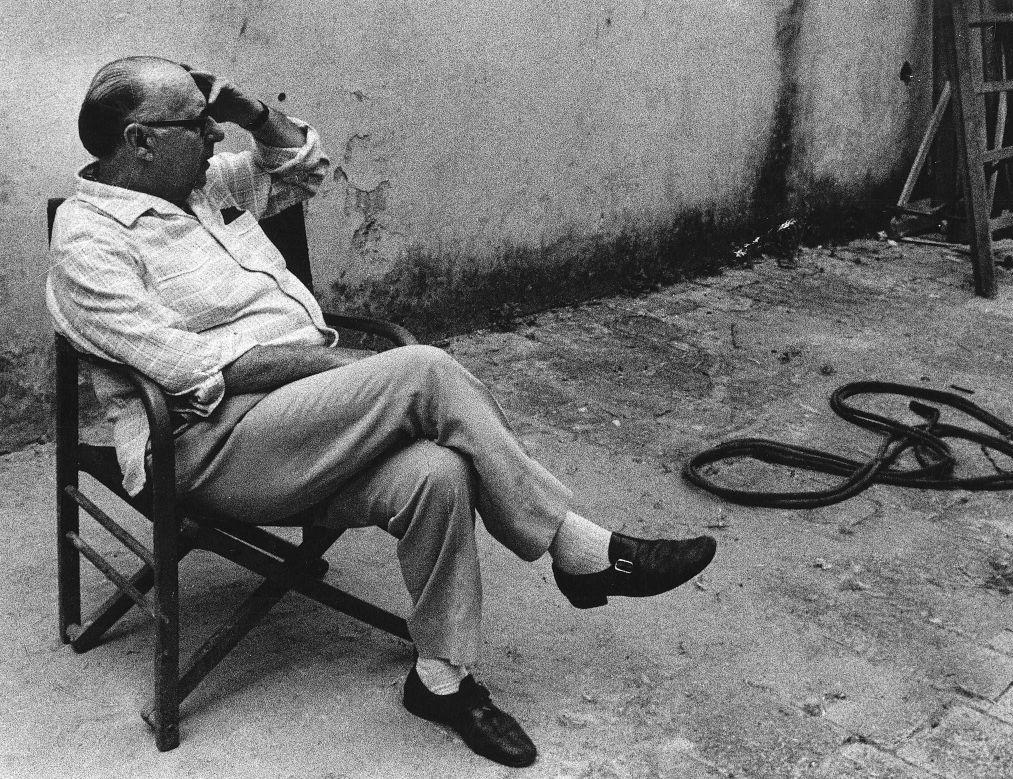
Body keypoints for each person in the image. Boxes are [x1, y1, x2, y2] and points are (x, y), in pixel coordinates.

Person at [46, 56, 716, 768]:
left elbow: (304, 167)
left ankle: (441, 678)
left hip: (307, 423)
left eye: (216, 119)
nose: (215, 134)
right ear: (141, 140)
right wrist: (337, 369)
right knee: (422, 370)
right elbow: (189, 367)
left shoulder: (206, 185)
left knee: (436, 472)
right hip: (203, 444)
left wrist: (249, 109)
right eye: (198, 122)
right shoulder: (89, 241)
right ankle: (578, 549)